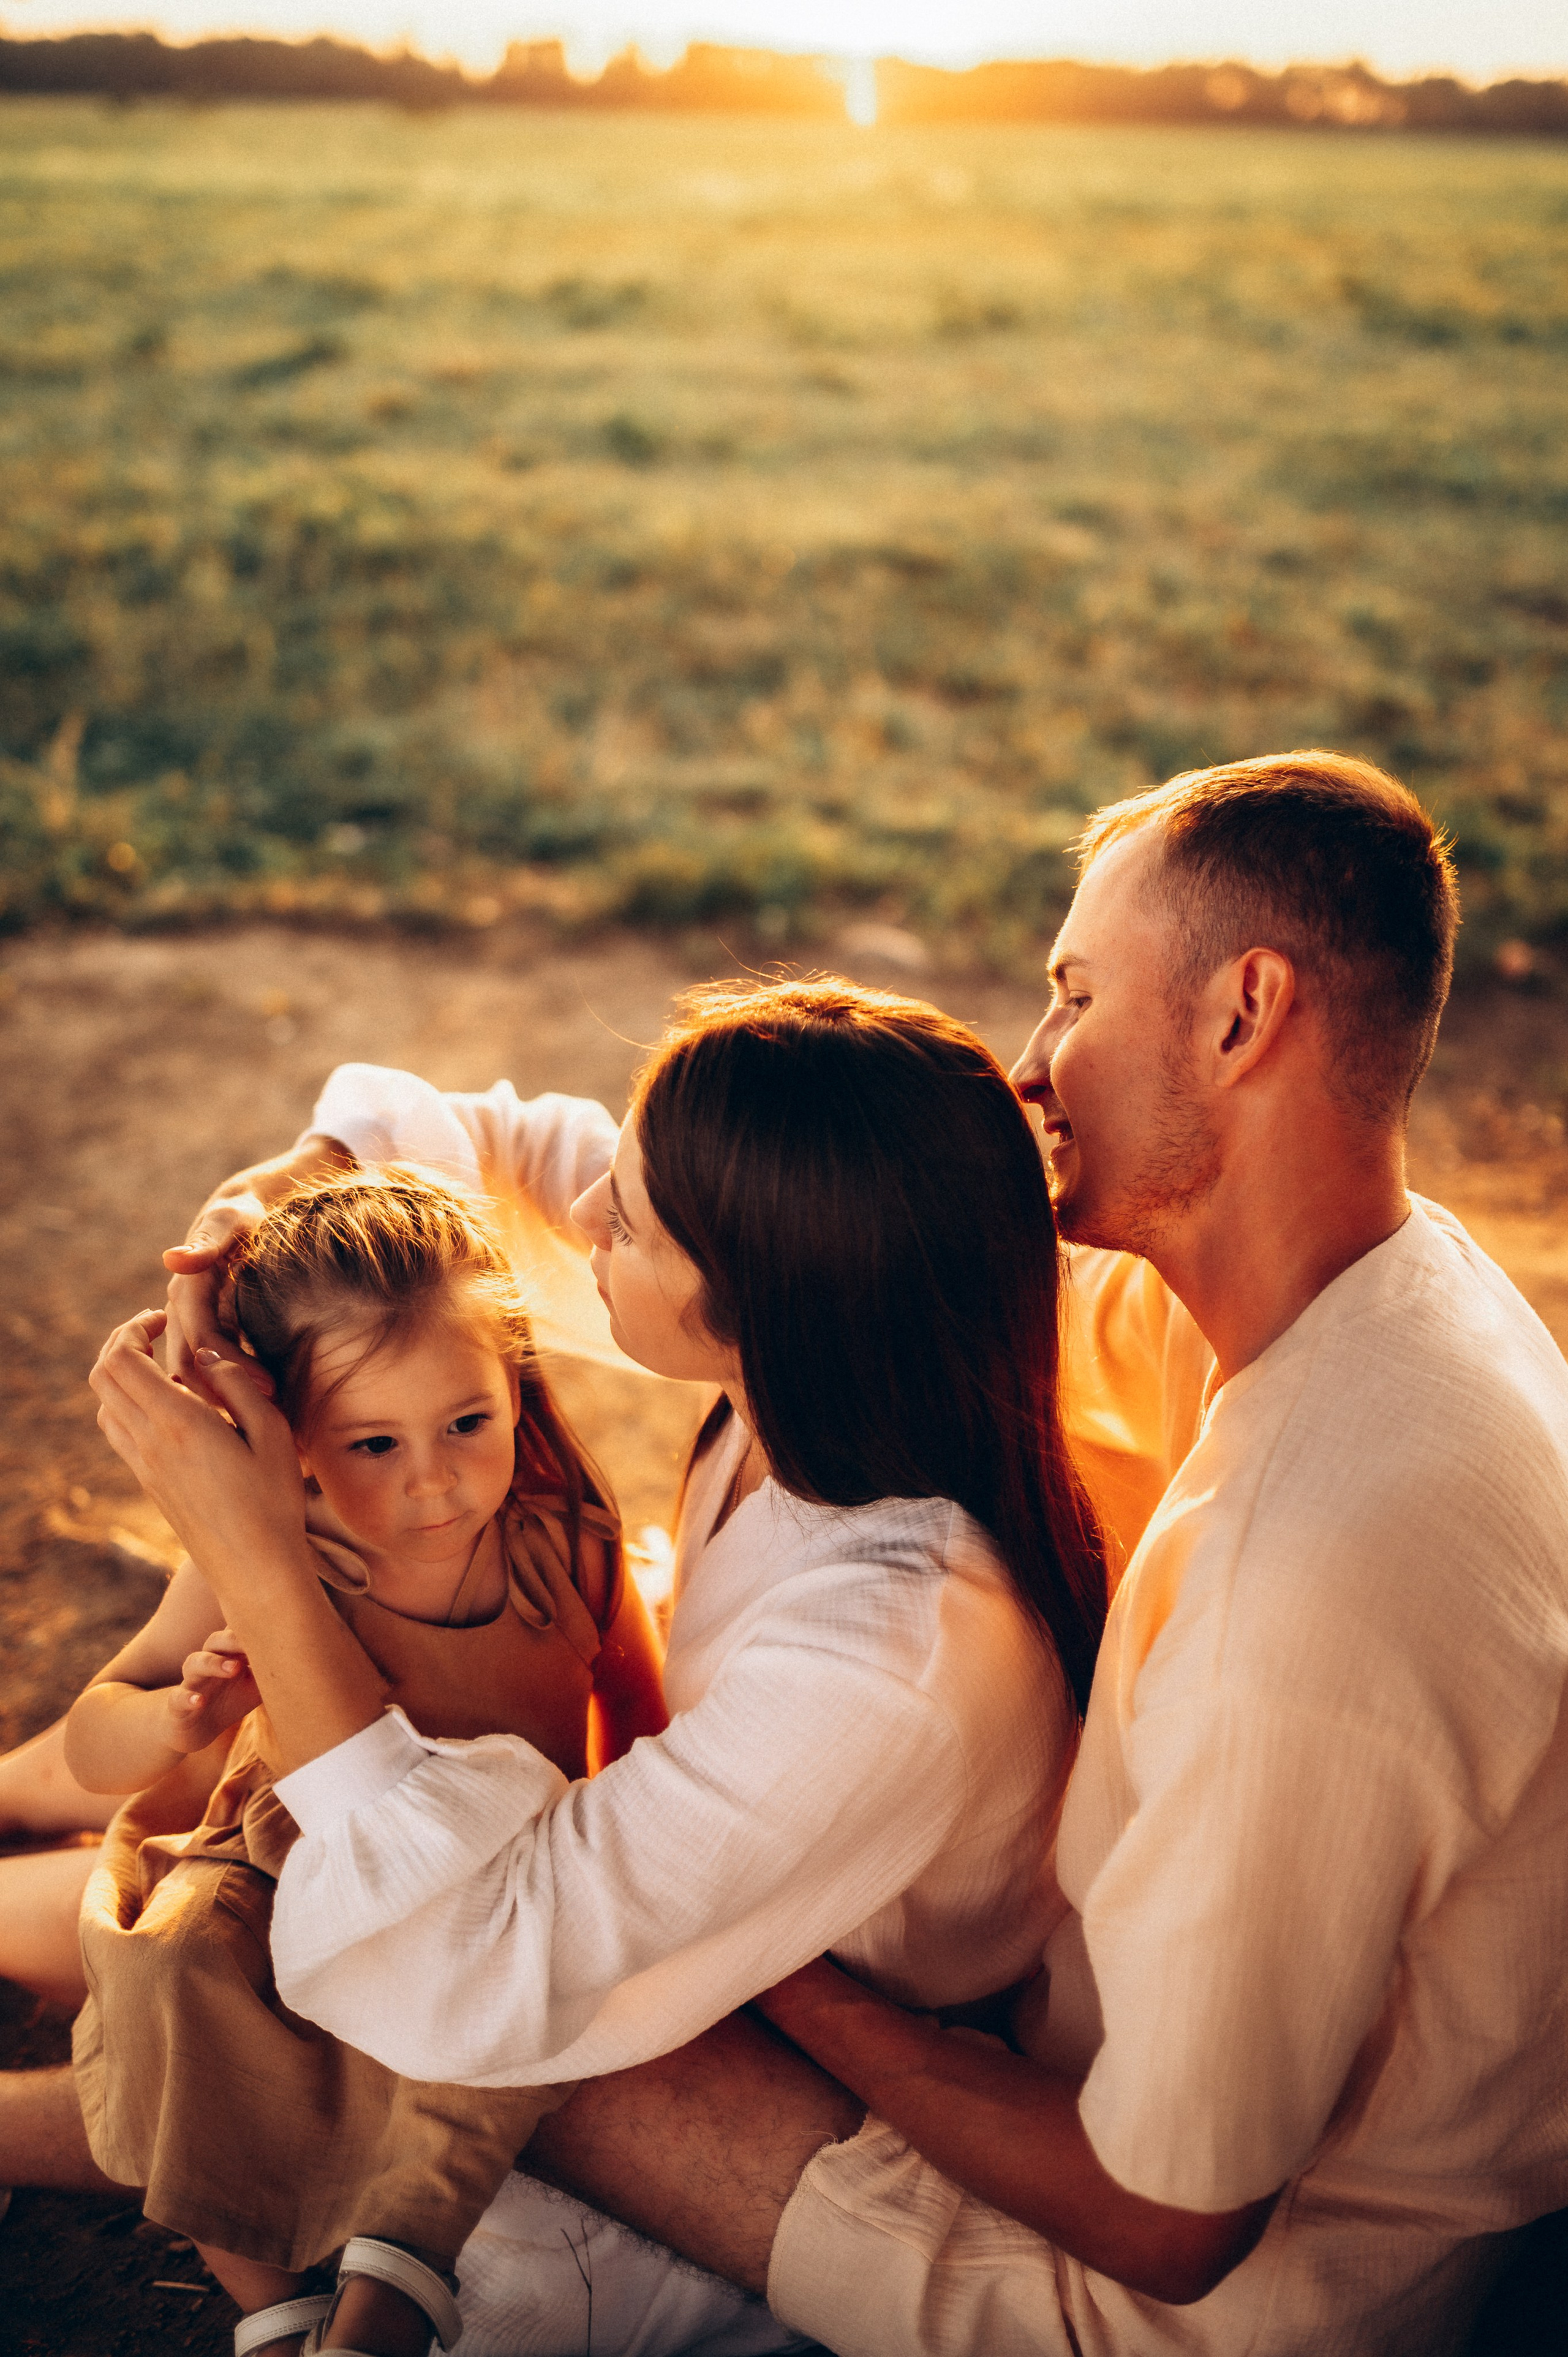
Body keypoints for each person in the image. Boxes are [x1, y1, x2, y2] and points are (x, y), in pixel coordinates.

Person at [124, 748, 1568, 2357]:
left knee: (326, 1973)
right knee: (271, 1892)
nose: (1029, 1065)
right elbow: (594, 1194)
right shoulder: (1330, 1291)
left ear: (1241, 1015)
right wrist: (306, 1195)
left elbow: (1169, 2225)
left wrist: (777, 1980)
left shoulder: (1298, 1587)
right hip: (1033, 2002)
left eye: (1075, 995)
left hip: (1192, 2298)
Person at [81, 979, 1109, 2348]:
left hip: (758, 2037)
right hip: (616, 1892)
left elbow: (464, 1968)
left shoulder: (889, 1654)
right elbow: (462, 1149)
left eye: (624, 1220)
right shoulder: (834, 1375)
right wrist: (295, 1187)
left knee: (257, 2028)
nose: (577, 1224)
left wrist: (263, 1555)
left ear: (755, 1296)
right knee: (188, 1926)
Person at [66, 1169, 665, 2357]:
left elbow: (641, 1728)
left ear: (514, 1381)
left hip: (487, 1887)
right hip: (284, 1886)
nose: (433, 1478)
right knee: (167, 1974)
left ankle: (389, 2293)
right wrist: (177, 1718)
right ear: (286, 1439)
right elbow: (98, 1731)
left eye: (467, 1421)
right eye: (372, 1442)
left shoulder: (567, 1538)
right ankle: (275, 2307)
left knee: (519, 1987)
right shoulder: (273, 1548)